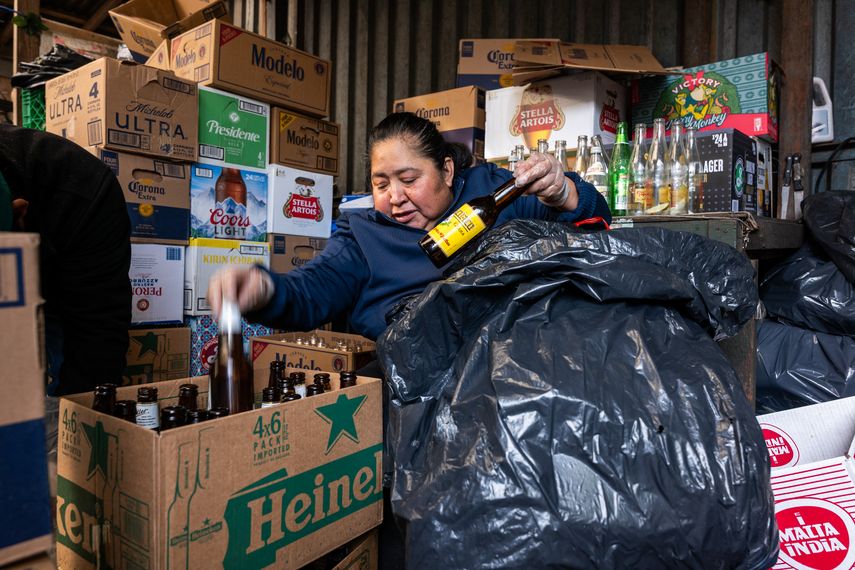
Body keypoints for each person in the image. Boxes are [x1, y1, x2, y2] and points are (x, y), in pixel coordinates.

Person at [209, 112, 611, 336]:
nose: (394, 197)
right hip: (412, 391)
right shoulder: (362, 234)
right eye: (380, 183)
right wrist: (265, 289)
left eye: (409, 179)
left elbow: (592, 228)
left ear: (448, 171)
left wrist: (564, 192)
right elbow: (313, 291)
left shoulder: (496, 195)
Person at [0, 124, 131, 396]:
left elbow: (98, 335)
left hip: (68, 259)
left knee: (73, 392)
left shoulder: (85, 190)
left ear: (20, 214)